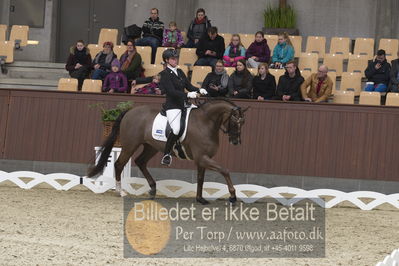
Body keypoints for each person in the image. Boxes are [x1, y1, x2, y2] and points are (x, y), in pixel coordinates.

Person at [159, 49, 208, 166]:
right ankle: (167, 154)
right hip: (173, 106)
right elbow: (171, 92)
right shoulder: (164, 74)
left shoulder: (180, 71)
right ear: (166, 60)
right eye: (172, 58)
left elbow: (188, 86)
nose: (175, 60)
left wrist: (198, 89)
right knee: (176, 129)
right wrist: (187, 95)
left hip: (184, 104)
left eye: (176, 58)